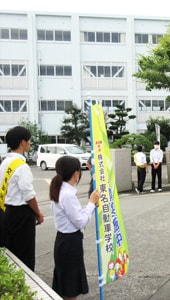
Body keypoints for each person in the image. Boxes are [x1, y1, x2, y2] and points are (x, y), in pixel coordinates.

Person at [49, 156, 100, 299]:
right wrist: (91, 203)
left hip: (63, 241)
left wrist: (91, 205)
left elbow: (75, 216)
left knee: (66, 286)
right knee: (70, 288)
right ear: (76, 174)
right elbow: (80, 222)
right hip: (70, 244)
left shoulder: (60, 190)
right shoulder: (67, 194)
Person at [0, 126, 44, 271]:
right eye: (29, 140)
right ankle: (27, 287)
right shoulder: (21, 166)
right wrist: (38, 213)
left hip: (6, 212)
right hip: (22, 215)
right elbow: (29, 195)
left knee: (11, 253)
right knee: (25, 256)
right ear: (22, 142)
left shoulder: (5, 163)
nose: (30, 143)